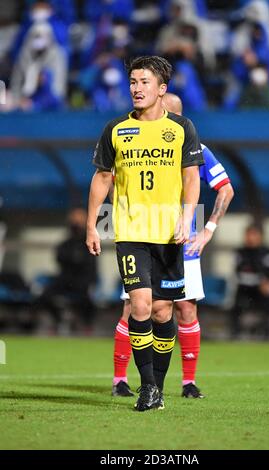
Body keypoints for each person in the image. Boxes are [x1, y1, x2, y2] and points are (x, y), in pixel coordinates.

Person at [86, 56, 203, 411]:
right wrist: (92, 223)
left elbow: (191, 178)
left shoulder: (182, 128)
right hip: (131, 232)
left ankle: (161, 387)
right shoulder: (116, 129)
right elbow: (102, 177)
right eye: (133, 82)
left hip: (169, 234)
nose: (137, 88)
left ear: (161, 89)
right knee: (140, 304)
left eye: (144, 82)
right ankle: (147, 387)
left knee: (164, 312)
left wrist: (188, 218)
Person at [112, 92, 234, 398]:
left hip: (179, 243)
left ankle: (187, 382)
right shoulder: (134, 141)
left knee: (185, 310)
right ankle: (120, 381)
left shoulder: (195, 148)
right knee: (134, 307)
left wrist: (207, 230)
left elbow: (226, 189)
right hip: (141, 237)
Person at [33, 208, 98, 331]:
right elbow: (60, 258)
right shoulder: (66, 243)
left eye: (79, 223)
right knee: (44, 296)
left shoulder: (90, 243)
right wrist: (74, 259)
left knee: (88, 301)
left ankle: (86, 325)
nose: (76, 226)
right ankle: (58, 319)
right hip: (66, 280)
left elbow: (90, 266)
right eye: (74, 222)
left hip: (82, 281)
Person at [230, 223, 269, 340]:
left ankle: (266, 333)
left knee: (268, 302)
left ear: (260, 236)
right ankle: (235, 333)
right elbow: (238, 273)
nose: (251, 238)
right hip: (245, 288)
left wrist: (265, 283)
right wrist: (259, 280)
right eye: (248, 235)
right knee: (236, 305)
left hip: (263, 290)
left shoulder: (268, 252)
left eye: (254, 235)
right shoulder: (240, 252)